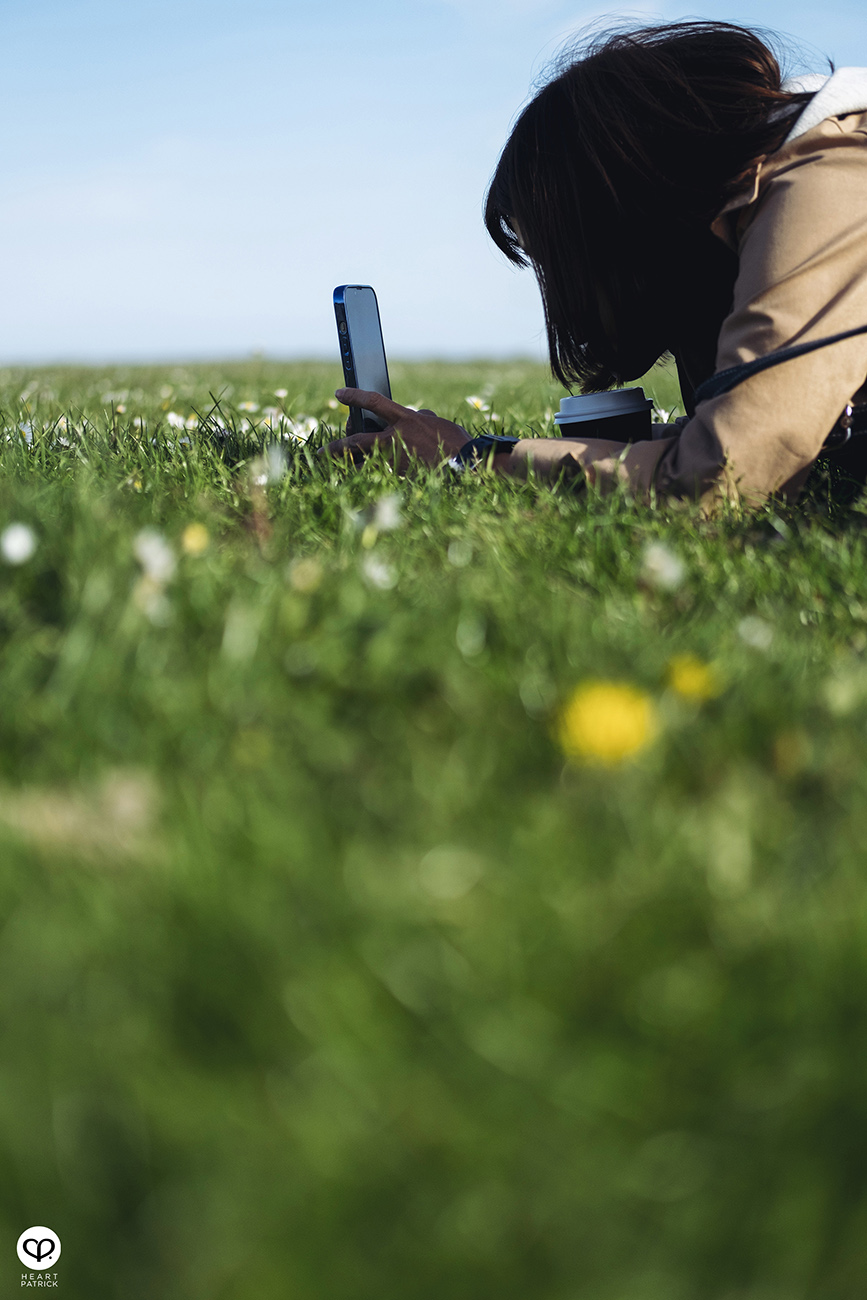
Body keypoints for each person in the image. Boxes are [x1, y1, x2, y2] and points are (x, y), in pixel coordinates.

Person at [325, 22, 867, 510]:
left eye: (558, 260)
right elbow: (740, 429)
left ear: (615, 221)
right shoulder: (772, 193)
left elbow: (724, 480)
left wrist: (473, 459)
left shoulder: (829, 178)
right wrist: (487, 449)